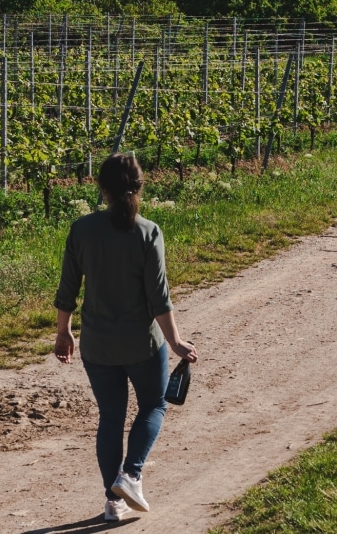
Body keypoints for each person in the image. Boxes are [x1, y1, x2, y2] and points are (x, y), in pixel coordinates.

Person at [54, 153, 198, 522]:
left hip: (98, 346)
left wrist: (63, 331)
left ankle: (112, 502)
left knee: (110, 418)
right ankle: (131, 475)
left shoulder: (81, 229)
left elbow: (68, 287)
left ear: (101, 188)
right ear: (140, 186)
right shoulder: (147, 232)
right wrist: (176, 341)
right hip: (142, 346)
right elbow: (159, 297)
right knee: (154, 404)